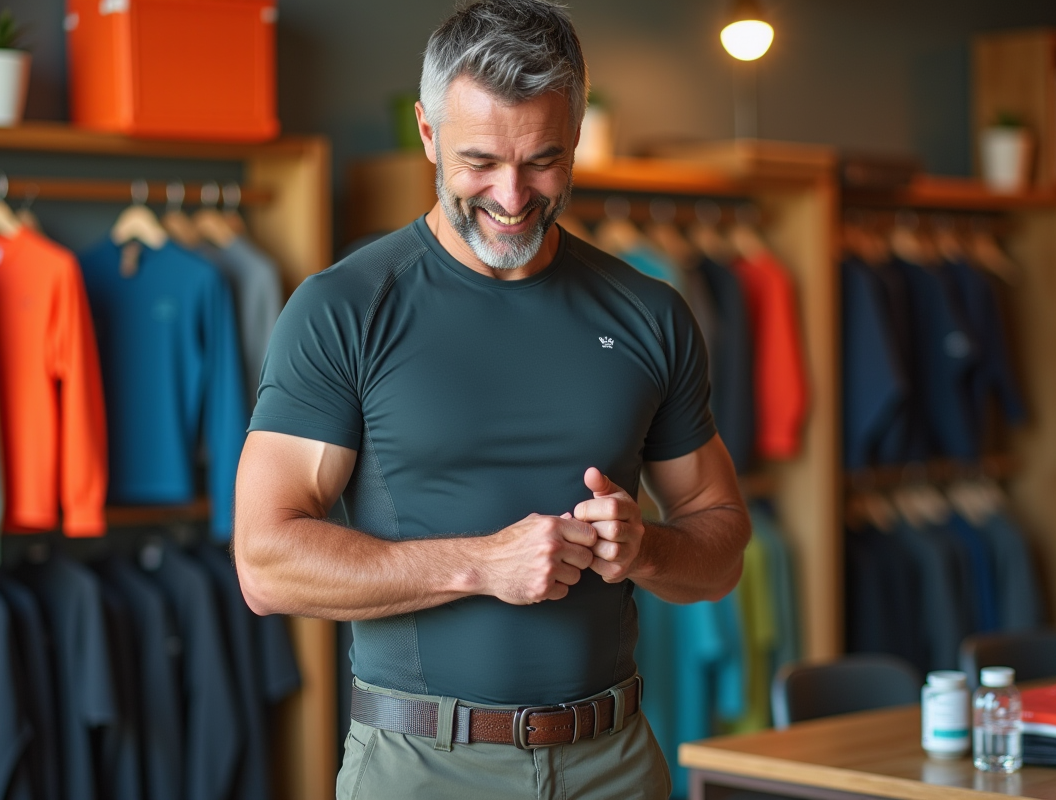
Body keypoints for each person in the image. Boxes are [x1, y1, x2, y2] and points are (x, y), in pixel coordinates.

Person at [233, 1, 750, 797]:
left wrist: (645, 548)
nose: (512, 196)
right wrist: (483, 565)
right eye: (481, 161)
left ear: (575, 137)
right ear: (428, 133)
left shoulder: (650, 313)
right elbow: (266, 565)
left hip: (613, 762)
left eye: (543, 160)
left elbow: (719, 546)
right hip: (422, 767)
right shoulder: (343, 308)